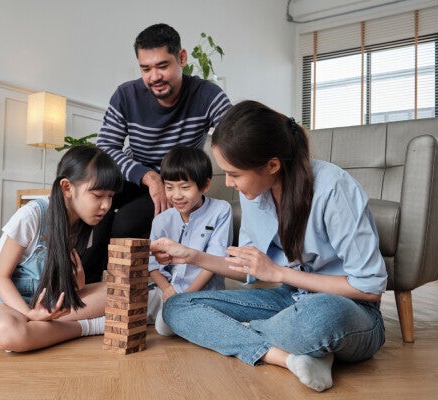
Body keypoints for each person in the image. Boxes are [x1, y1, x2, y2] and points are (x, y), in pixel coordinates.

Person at [151, 100, 387, 392]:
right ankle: (288, 357)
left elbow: (370, 289)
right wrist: (192, 256)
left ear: (272, 165)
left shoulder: (333, 188)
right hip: (290, 302)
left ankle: (235, 333)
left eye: (235, 174)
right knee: (177, 306)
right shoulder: (254, 193)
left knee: (318, 318)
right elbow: (247, 270)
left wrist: (280, 273)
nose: (229, 183)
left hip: (350, 310)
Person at [87, 23, 231, 280]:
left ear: (182, 58)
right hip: (135, 175)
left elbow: (234, 136)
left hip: (173, 180)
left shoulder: (208, 95)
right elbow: (106, 148)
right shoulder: (125, 95)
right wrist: (149, 177)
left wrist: (163, 181)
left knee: (127, 221)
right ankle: (85, 283)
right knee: (93, 202)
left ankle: (123, 293)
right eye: (146, 68)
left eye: (163, 66)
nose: (154, 77)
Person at [0, 146, 124, 352]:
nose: (106, 205)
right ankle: (87, 327)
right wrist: (29, 313)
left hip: (51, 300)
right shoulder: (32, 215)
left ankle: (38, 331)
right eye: (98, 195)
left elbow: (67, 288)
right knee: (5, 332)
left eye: (110, 196)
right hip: (9, 300)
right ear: (67, 187)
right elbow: (0, 279)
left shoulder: (85, 223)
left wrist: (77, 284)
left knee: (122, 291)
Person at [147, 146, 233, 336]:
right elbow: (152, 264)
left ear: (205, 185)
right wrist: (167, 290)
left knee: (164, 327)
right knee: (124, 305)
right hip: (166, 291)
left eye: (185, 187)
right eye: (169, 187)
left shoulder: (221, 210)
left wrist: (183, 296)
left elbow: (214, 261)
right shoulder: (162, 219)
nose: (176, 195)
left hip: (202, 293)